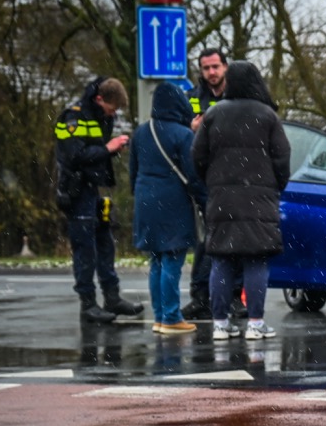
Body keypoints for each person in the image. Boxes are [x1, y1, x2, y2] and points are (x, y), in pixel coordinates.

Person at [191, 60, 290, 341]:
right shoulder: (267, 116)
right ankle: (255, 323)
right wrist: (274, 185)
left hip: (222, 198)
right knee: (256, 259)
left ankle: (220, 324)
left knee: (221, 260)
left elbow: (197, 155)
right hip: (259, 198)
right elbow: (282, 157)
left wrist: (213, 182)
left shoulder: (214, 114)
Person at [54, 76, 144, 323]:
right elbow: (74, 156)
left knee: (106, 244)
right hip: (77, 190)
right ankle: (88, 304)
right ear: (99, 99)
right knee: (85, 249)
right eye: (111, 109)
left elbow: (95, 151)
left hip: (97, 189)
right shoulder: (72, 117)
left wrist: (111, 149)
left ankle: (112, 298)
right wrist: (108, 148)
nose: (112, 114)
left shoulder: (101, 117)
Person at [129, 82, 208, 335]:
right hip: (173, 202)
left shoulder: (141, 132)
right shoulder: (182, 135)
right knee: (173, 259)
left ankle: (159, 317)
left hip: (145, 202)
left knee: (156, 261)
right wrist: (205, 202)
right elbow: (193, 176)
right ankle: (172, 317)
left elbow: (132, 173)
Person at [183, 48, 229, 320]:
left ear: (225, 67)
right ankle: (200, 297)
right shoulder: (190, 99)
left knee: (234, 239)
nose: (211, 72)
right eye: (206, 68)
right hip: (203, 178)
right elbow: (177, 136)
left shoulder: (238, 96)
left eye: (215, 66)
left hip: (234, 178)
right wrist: (191, 130)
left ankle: (233, 297)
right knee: (207, 240)